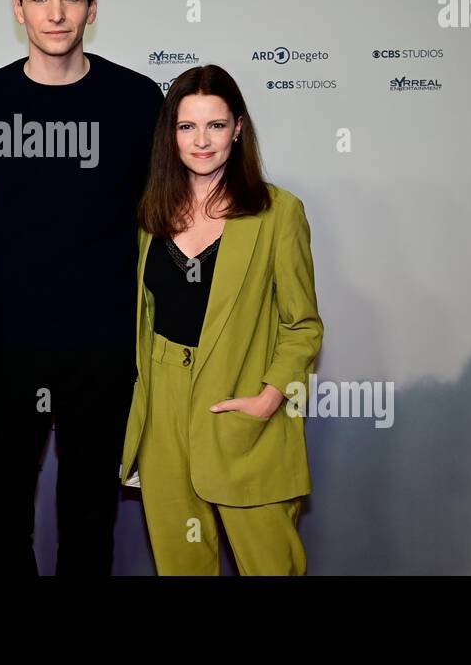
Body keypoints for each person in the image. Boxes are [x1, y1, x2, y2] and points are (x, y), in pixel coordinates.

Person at [0, 0, 164, 575]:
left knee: (89, 523)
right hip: (3, 347)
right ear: (17, 7)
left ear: (92, 7)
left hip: (103, 349)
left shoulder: (137, 102)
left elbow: (175, 211)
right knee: (3, 527)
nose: (55, 14)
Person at [119, 64, 322, 575]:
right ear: (171, 135)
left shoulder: (279, 213)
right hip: (163, 416)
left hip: (242, 409)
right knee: (180, 564)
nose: (201, 141)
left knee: (272, 566)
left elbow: (302, 325)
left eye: (215, 125)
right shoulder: (150, 213)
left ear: (237, 128)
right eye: (187, 127)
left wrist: (269, 397)